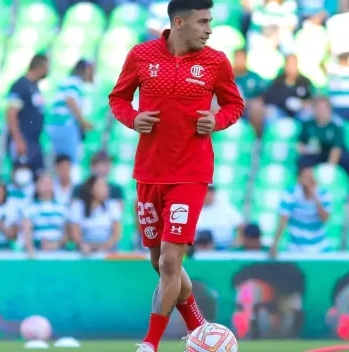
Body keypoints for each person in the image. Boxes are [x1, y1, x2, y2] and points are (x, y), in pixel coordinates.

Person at [108, 0, 245, 350]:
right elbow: (118, 98)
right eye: (203, 22)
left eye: (210, 21)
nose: (209, 29)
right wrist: (132, 117)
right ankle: (200, 328)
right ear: (179, 22)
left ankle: (149, 344)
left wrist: (217, 120)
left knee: (171, 259)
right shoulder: (141, 55)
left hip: (191, 174)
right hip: (149, 174)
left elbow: (234, 105)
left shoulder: (216, 62)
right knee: (158, 261)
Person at [270, 164, 332, 257]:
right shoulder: (289, 194)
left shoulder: (324, 194)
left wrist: (315, 196)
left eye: (311, 178)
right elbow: (283, 221)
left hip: (319, 247)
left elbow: (325, 219)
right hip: (295, 248)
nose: (309, 181)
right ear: (299, 179)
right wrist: (275, 244)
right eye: (306, 177)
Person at [6, 54, 49, 174]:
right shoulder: (20, 86)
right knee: (22, 176)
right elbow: (11, 113)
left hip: (35, 141)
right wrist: (18, 139)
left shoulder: (35, 87)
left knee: (38, 176)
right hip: (23, 139)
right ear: (41, 66)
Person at [48, 59, 94, 165]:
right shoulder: (74, 82)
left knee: (60, 160)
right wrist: (83, 122)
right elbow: (70, 100)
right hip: (65, 125)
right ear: (86, 70)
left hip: (59, 125)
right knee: (68, 161)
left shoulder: (69, 81)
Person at [69, 176, 122, 255]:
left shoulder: (113, 205)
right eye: (101, 185)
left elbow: (117, 234)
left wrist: (101, 248)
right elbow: (75, 233)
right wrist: (83, 246)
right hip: (84, 252)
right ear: (91, 189)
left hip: (108, 252)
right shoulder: (78, 206)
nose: (106, 189)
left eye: (106, 186)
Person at [22, 172, 69, 258]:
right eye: (43, 183)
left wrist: (55, 245)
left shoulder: (62, 208)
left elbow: (67, 234)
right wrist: (31, 251)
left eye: (49, 183)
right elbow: (26, 233)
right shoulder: (29, 208)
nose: (47, 186)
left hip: (59, 255)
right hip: (37, 254)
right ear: (36, 186)